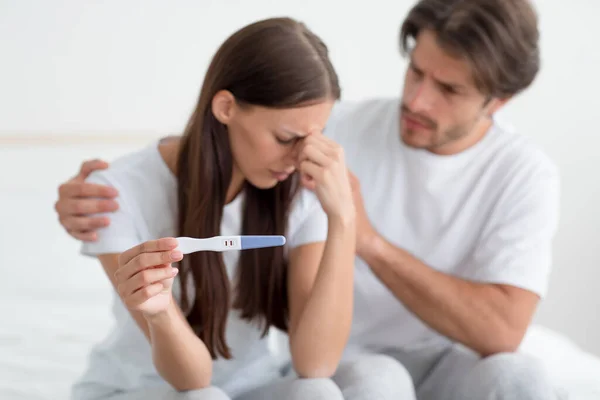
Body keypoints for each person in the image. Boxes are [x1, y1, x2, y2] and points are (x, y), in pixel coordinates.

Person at [56, 1, 562, 399]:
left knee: (518, 379)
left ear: (498, 101)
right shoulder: (313, 135)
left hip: (368, 366)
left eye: (448, 89)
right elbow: (207, 145)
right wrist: (99, 200)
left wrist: (351, 227)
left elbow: (502, 330)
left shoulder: (302, 166)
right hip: (230, 378)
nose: (417, 100)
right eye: (415, 73)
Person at [57, 17, 413, 400]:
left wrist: (343, 218)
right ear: (226, 107)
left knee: (348, 385)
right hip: (148, 389)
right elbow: (193, 380)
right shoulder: (118, 192)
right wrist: (159, 311)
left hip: (252, 387)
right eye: (285, 138)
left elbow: (316, 364)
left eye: (314, 137)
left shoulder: (301, 190)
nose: (299, 157)